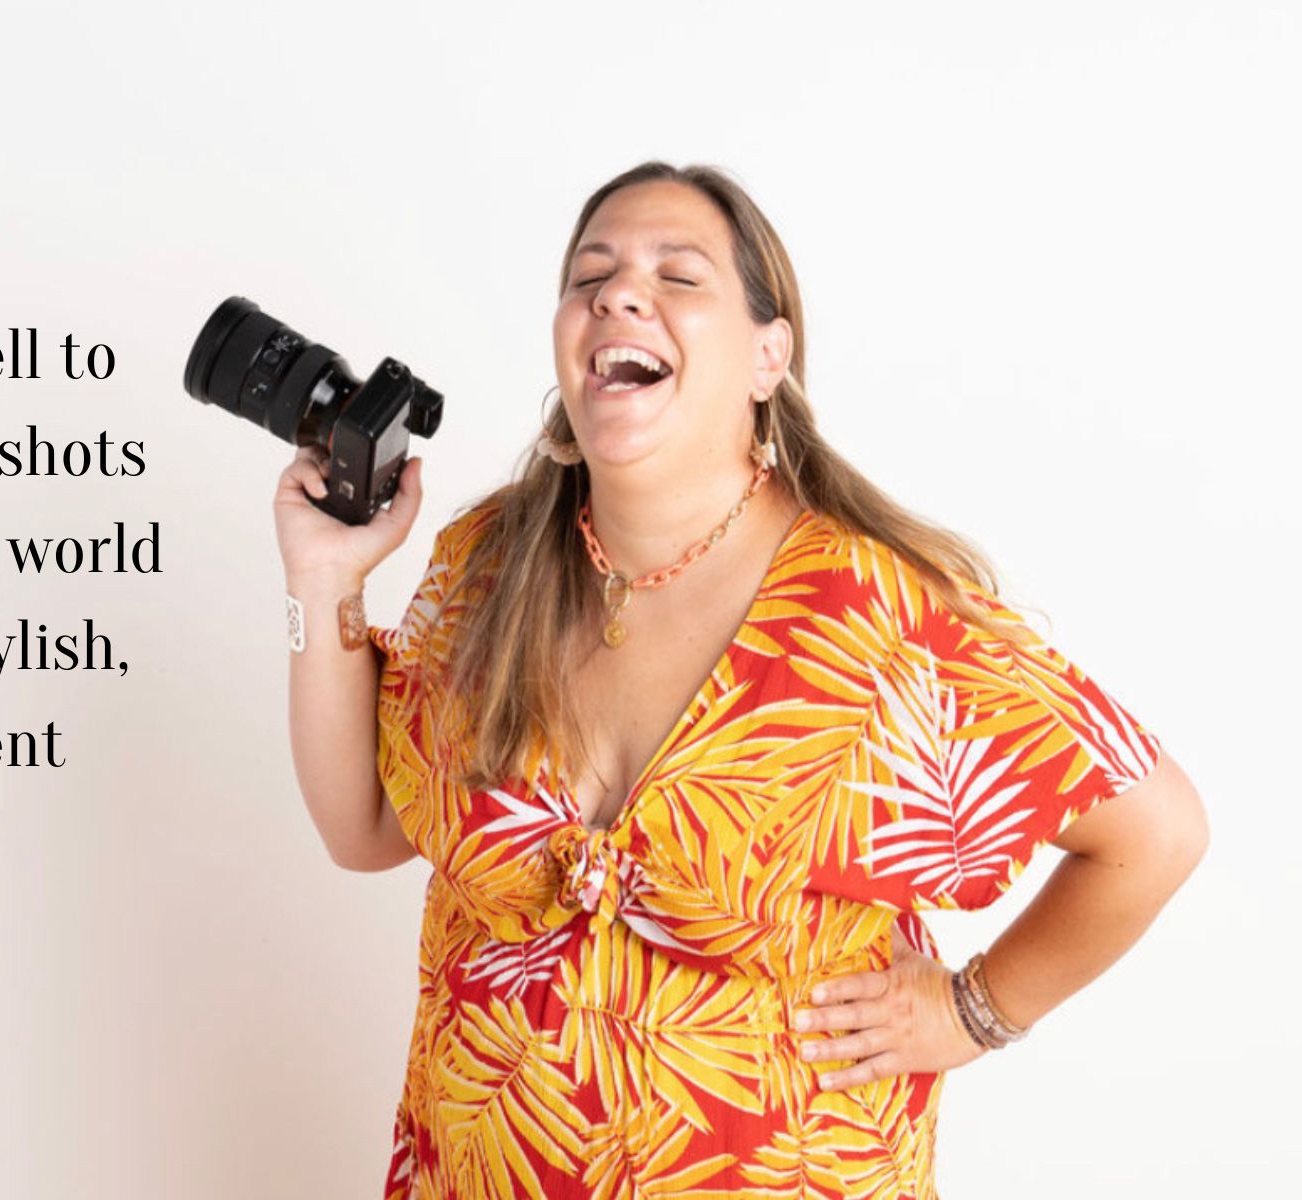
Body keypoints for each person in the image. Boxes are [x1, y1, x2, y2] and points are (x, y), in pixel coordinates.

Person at [274, 161, 1208, 1199]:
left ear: (770, 356)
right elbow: (362, 827)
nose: (617, 294)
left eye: (679, 276)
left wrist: (973, 1012)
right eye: (591, 275)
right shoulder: (487, 567)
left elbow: (1156, 833)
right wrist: (324, 580)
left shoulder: (880, 619)